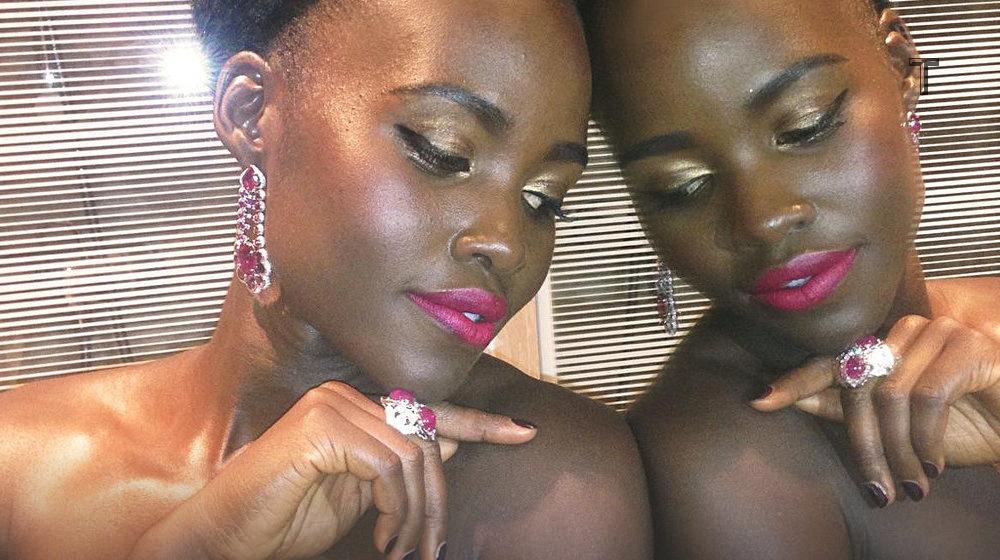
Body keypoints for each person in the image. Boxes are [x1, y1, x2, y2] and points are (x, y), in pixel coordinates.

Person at [0, 1, 653, 559]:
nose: (509, 244)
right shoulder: (19, 468)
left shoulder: (552, 484)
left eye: (545, 198)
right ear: (252, 112)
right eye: (442, 150)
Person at [584, 0, 1000, 557]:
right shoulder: (723, 462)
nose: (762, 219)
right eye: (680, 185)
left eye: (806, 126)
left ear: (900, 64)